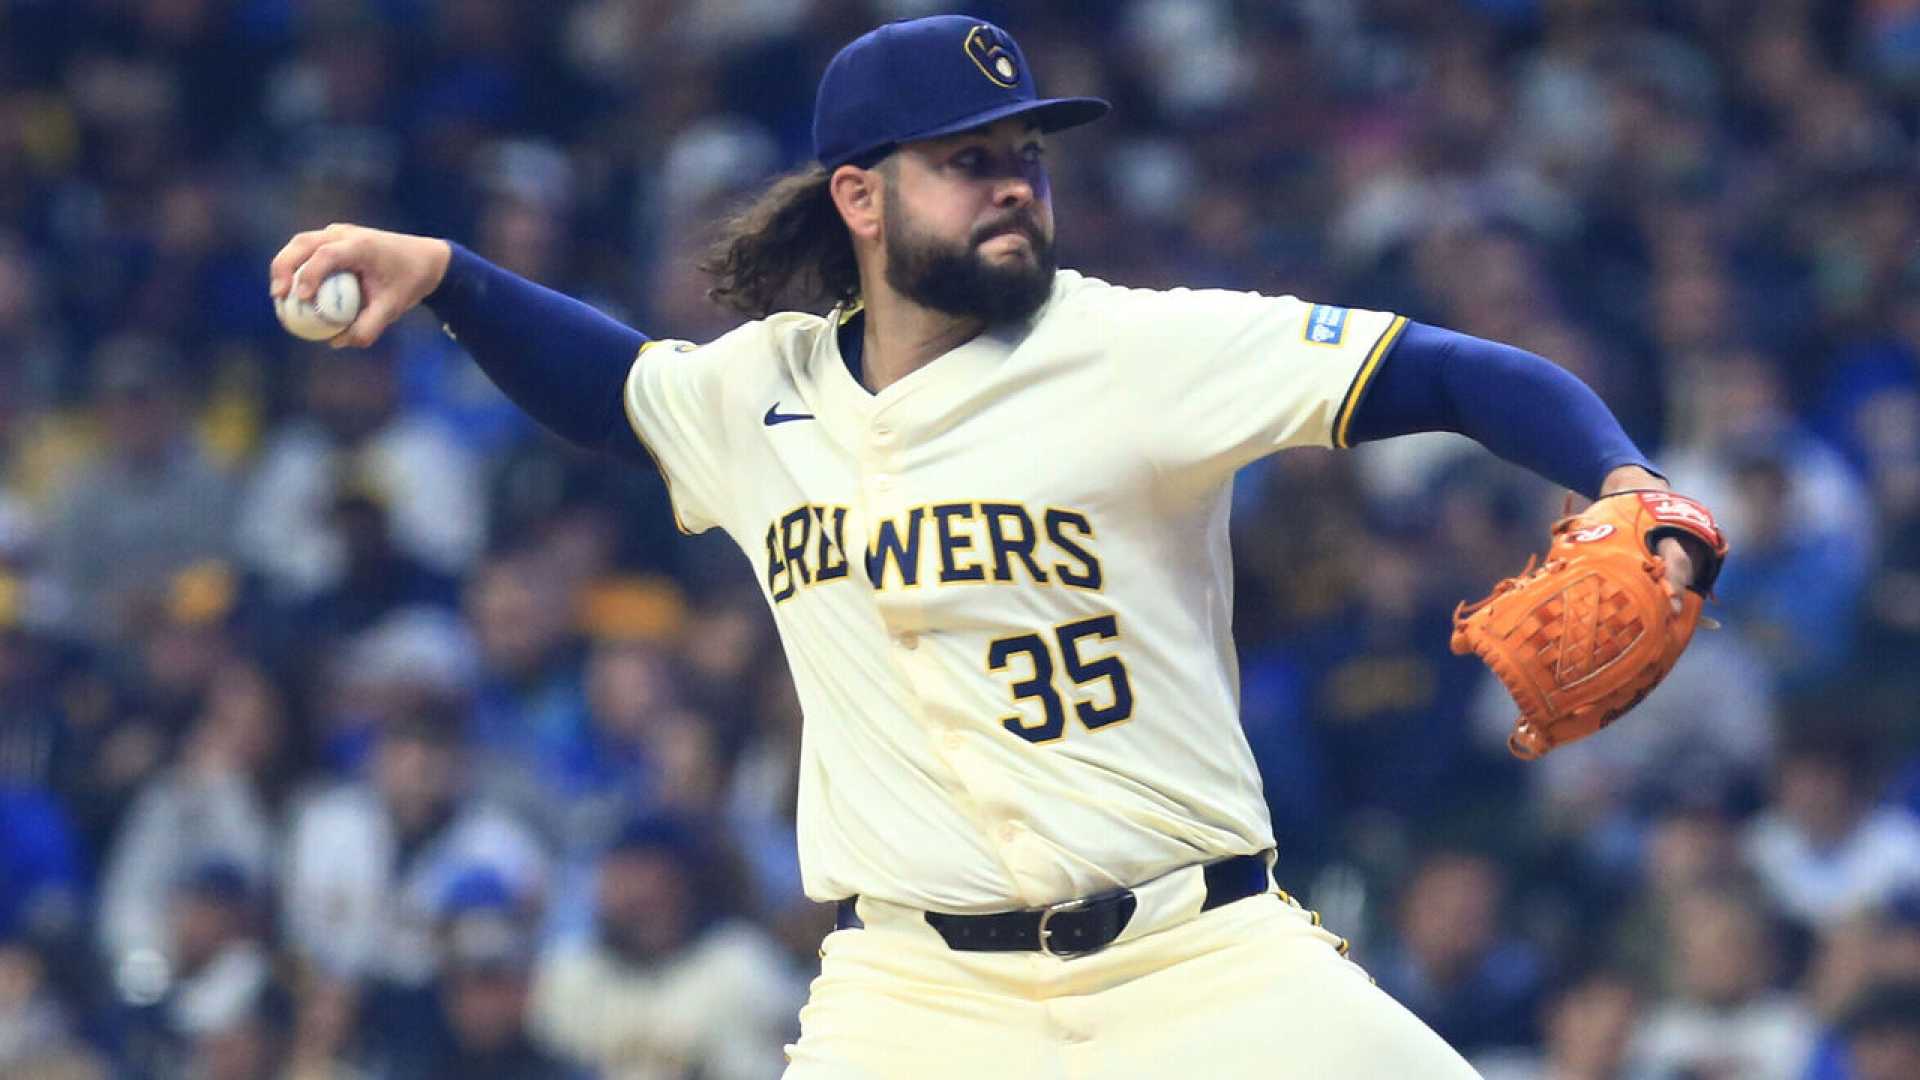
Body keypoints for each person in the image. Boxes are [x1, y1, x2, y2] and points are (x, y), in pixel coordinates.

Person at [269, 14, 1713, 1077]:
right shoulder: (757, 390)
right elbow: (615, 388)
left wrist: (1628, 477)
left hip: (1203, 960)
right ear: (861, 196)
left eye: (1026, 154)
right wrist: (447, 276)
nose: (1016, 182)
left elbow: (1460, 373)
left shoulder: (1144, 347)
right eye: (970, 162)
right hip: (916, 995)